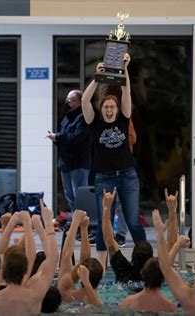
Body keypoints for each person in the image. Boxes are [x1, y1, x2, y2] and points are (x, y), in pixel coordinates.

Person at [81, 53, 146, 267]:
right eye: (106, 107)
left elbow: (126, 93)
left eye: (113, 107)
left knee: (133, 220)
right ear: (102, 109)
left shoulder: (123, 120)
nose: (109, 110)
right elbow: (84, 100)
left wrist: (125, 68)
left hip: (127, 176)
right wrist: (98, 76)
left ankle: (144, 261)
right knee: (104, 222)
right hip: (105, 178)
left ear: (118, 110)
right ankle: (101, 263)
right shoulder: (95, 123)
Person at [0, 204, 59, 315]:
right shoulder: (35, 296)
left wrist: (10, 224)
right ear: (25, 269)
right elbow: (53, 258)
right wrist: (48, 222)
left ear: (2, 269)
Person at [46, 90, 91, 212]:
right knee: (69, 195)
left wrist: (58, 137)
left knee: (80, 196)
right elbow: (64, 137)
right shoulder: (67, 116)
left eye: (70, 99)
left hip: (78, 163)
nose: (67, 101)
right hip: (65, 163)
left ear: (77, 101)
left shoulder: (83, 117)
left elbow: (76, 138)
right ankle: (76, 221)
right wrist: (55, 139)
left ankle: (84, 222)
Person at [101, 188, 152, 283]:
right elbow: (170, 248)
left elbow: (109, 240)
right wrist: (172, 212)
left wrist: (106, 209)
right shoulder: (156, 275)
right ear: (151, 258)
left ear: (132, 256)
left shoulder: (122, 269)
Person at [57, 209, 103, 306]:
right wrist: (84, 228)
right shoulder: (98, 301)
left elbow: (66, 256)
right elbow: (84, 259)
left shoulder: (67, 292)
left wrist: (75, 223)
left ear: (80, 274)